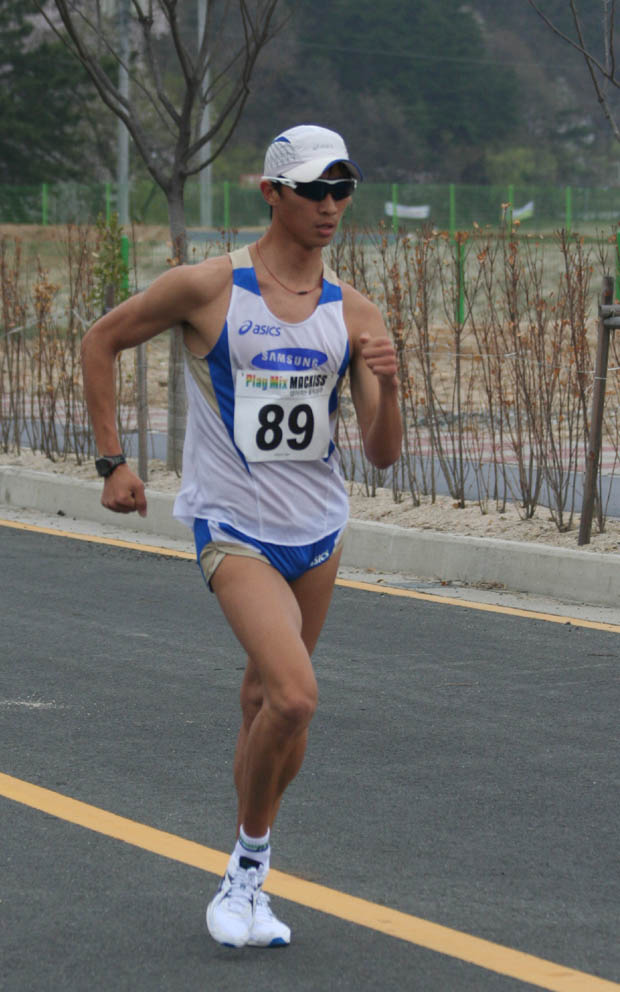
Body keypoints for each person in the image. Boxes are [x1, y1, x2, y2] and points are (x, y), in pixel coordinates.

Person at [81, 124, 402, 949]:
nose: (331, 205)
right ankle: (246, 874)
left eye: (343, 188)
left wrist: (392, 388)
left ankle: (249, 886)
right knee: (294, 696)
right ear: (272, 192)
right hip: (234, 526)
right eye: (314, 190)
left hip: (319, 531)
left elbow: (381, 451)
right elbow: (101, 341)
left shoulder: (354, 311)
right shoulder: (209, 287)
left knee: (267, 704)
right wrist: (113, 461)